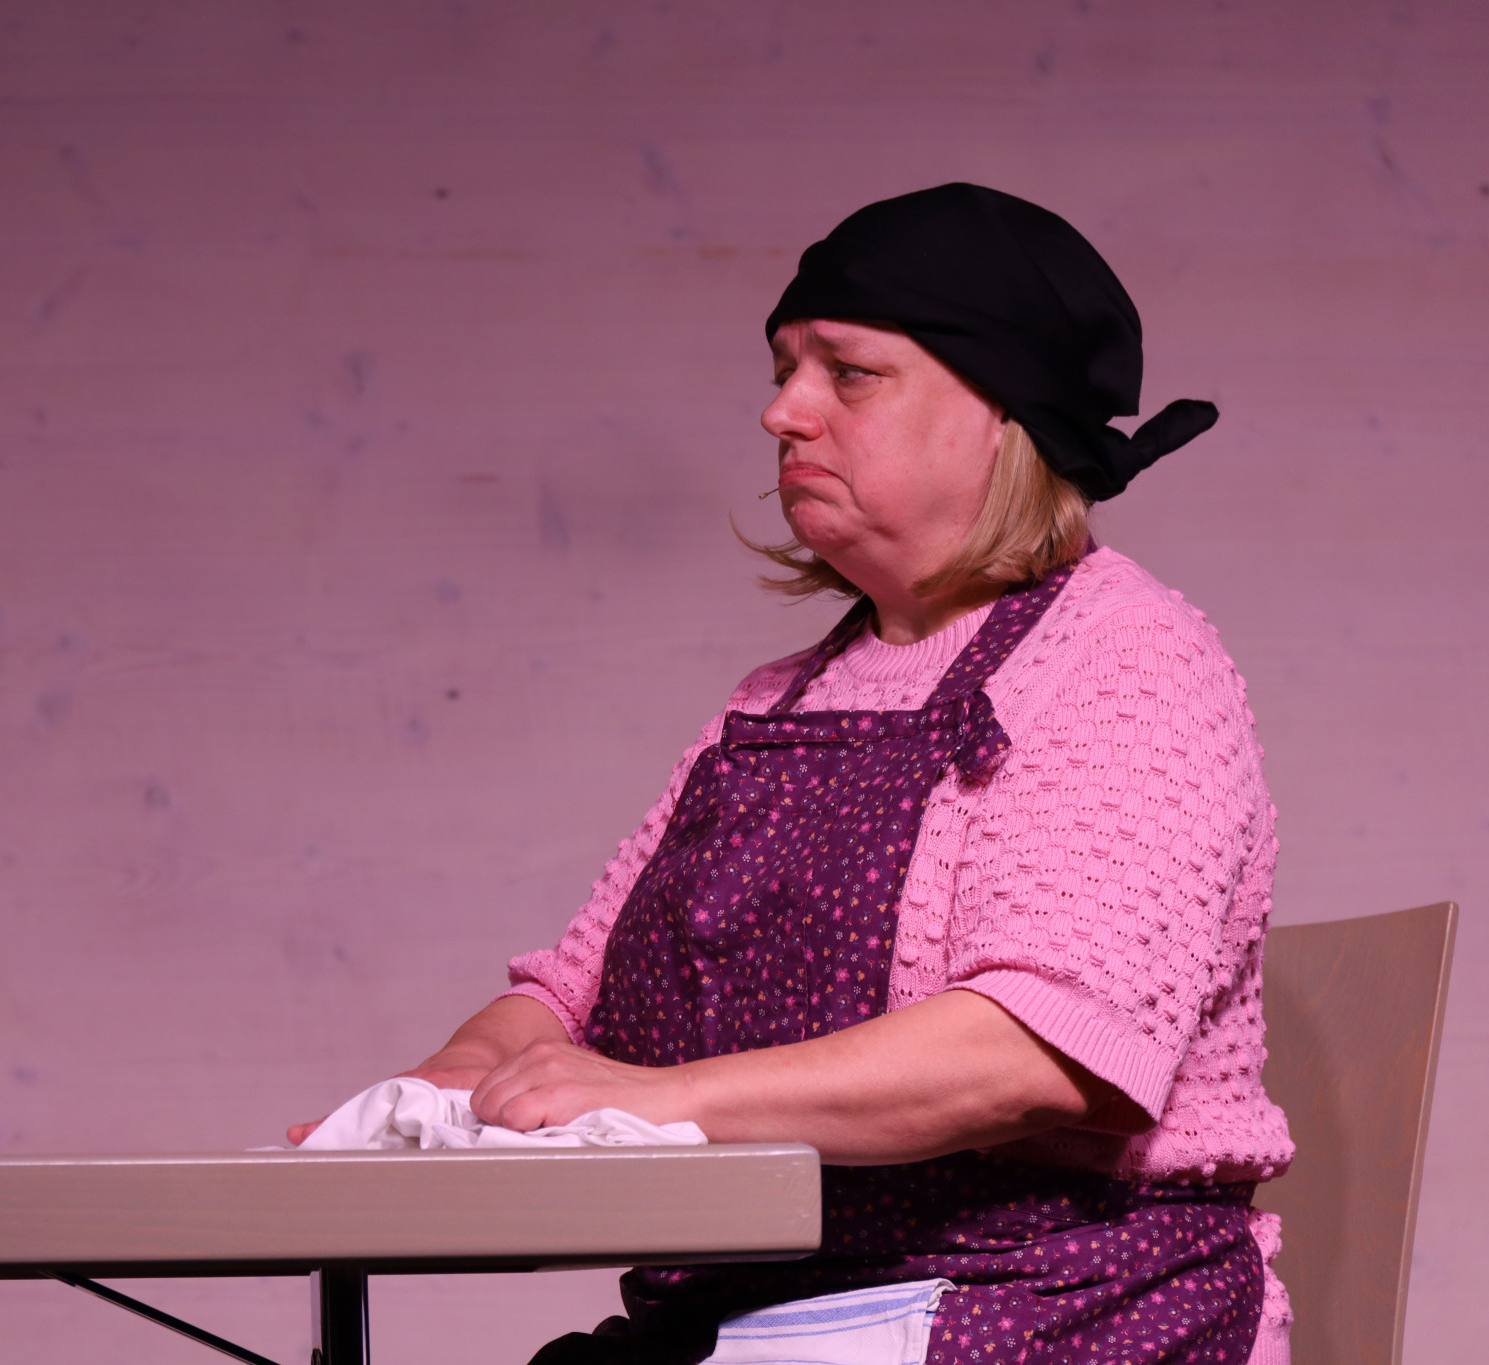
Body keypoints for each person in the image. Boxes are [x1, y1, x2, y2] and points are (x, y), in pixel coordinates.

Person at [289, 183, 1292, 1365]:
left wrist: (659, 1098)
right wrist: (453, 1086)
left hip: (1043, 1307)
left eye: (847, 373)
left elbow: (1041, 1051)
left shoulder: (1122, 657)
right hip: (763, 1317)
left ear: (1002, 413)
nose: (781, 411)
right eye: (782, 370)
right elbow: (570, 995)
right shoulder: (777, 699)